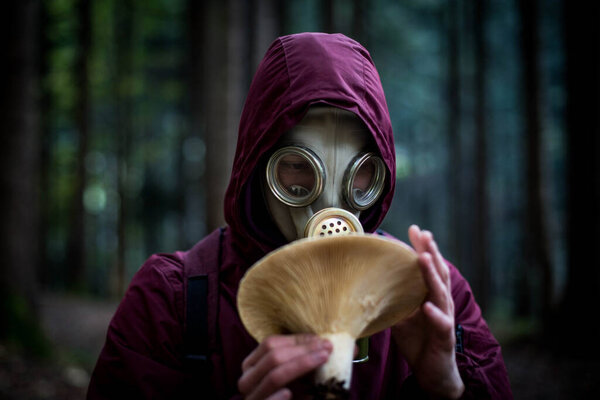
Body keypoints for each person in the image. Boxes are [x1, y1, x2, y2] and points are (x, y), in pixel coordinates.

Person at [88, 32, 512, 399]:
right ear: (258, 168)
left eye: (360, 175)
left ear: (379, 176)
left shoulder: (436, 300)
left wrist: (448, 389)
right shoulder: (170, 303)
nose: (329, 207)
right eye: (297, 170)